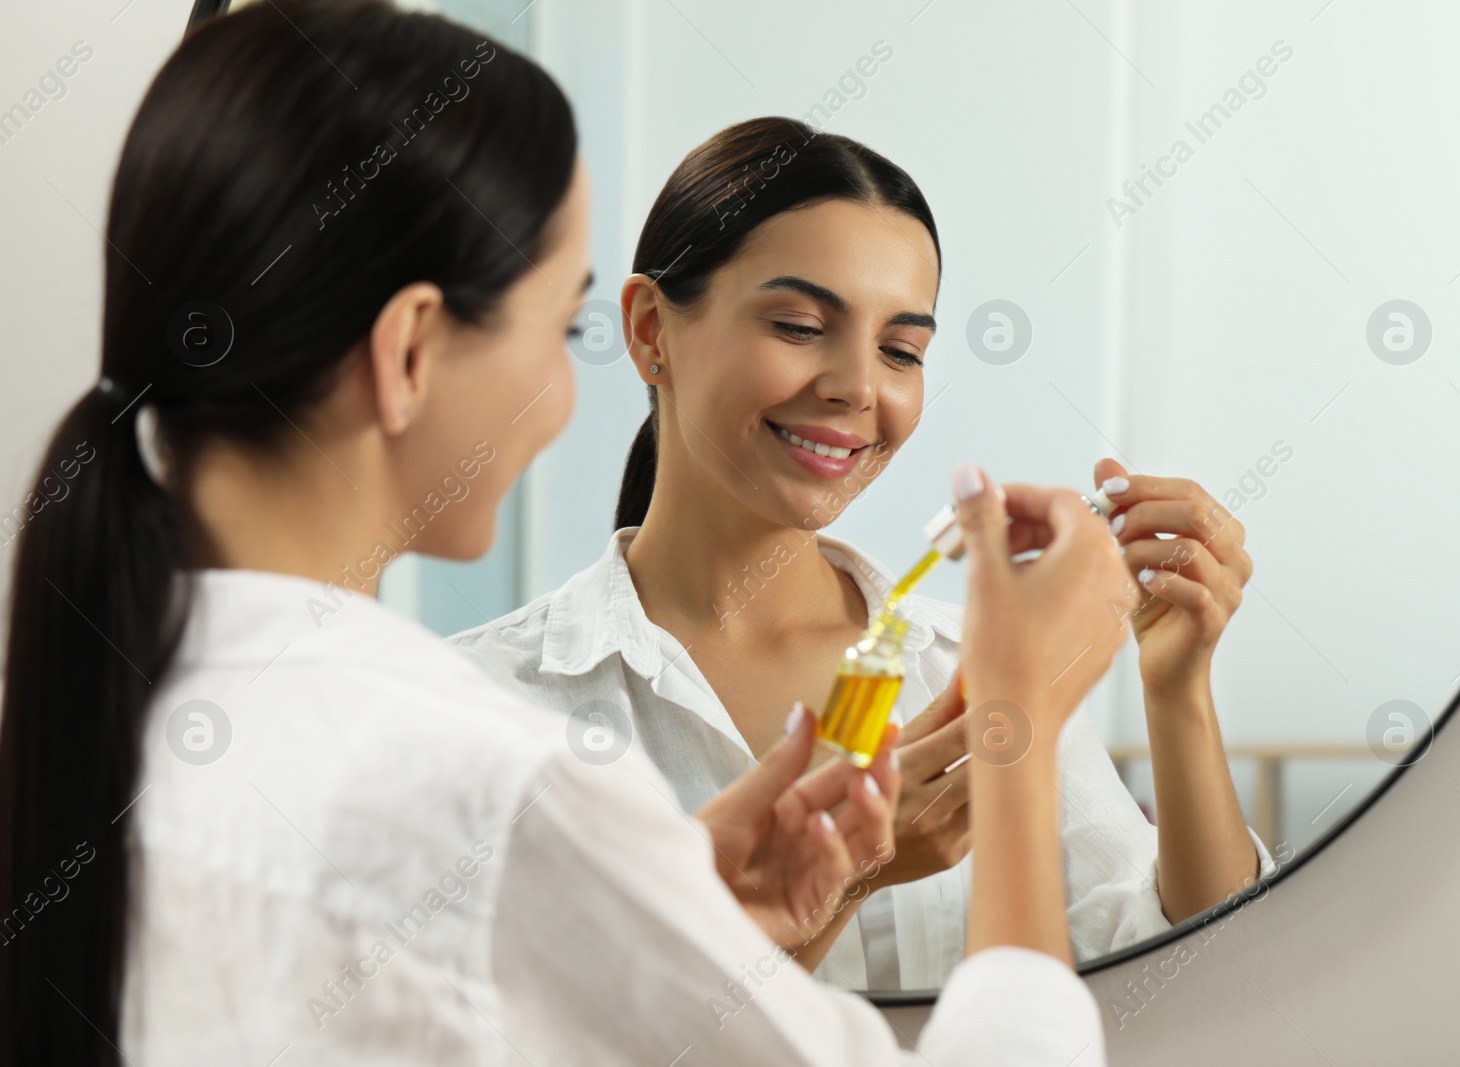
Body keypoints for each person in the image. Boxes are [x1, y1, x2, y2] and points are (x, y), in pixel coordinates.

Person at [0, 3, 1128, 1063]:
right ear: (410, 353)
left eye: (902, 346)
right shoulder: (484, 773)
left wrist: (673, 901)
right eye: (556, 322)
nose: (562, 390)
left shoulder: (144, 701)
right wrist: (1019, 725)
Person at [451, 117, 1280, 991]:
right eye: (801, 325)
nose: (856, 386)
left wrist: (1178, 690)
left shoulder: (976, 674)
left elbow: (1199, 980)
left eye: (900, 350)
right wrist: (851, 872)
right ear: (653, 329)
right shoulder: (482, 704)